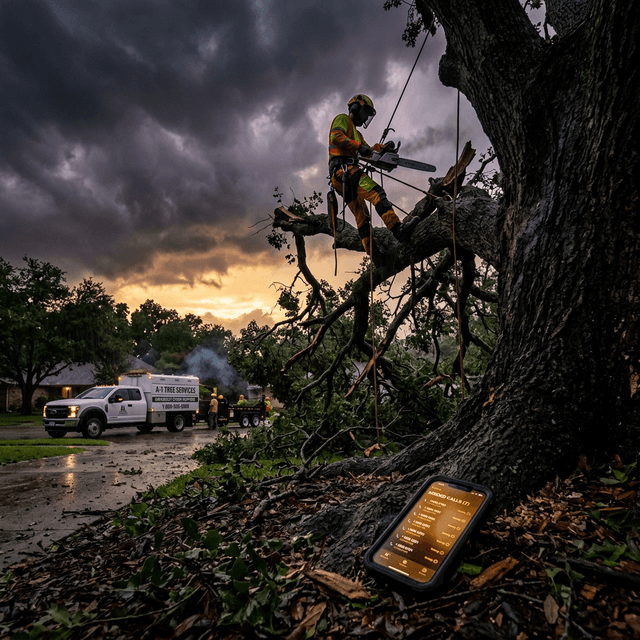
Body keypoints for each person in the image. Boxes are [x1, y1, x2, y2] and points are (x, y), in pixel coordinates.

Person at [329, 94, 419, 261]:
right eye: (365, 112)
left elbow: (368, 152)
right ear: (356, 108)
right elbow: (336, 137)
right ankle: (398, 229)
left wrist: (382, 149)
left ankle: (376, 257)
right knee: (377, 193)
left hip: (342, 178)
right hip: (345, 170)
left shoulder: (358, 135)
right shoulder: (342, 119)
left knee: (361, 215)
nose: (365, 118)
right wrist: (359, 148)